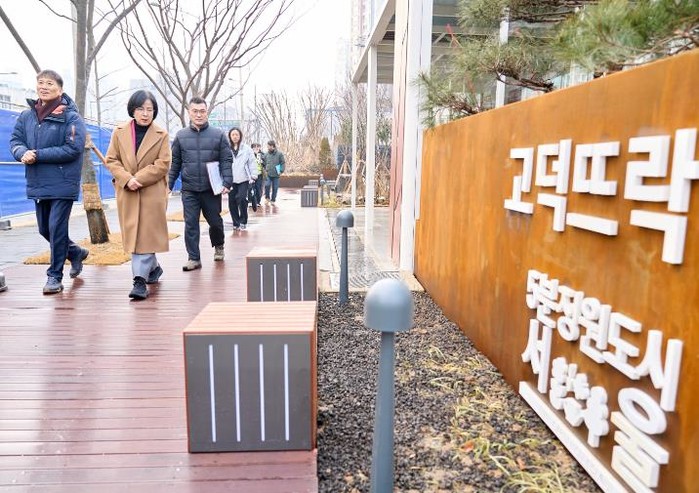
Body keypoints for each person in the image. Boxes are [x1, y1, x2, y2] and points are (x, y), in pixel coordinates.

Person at [9, 69, 88, 295]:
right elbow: (15, 140)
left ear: (60, 90)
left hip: (63, 182)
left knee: (56, 228)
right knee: (45, 229)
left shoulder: (71, 117)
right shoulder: (27, 116)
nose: (44, 87)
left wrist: (38, 154)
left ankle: (54, 276)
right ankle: (75, 252)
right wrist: (21, 152)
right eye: (41, 82)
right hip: (38, 181)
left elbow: (73, 148)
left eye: (50, 83)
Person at [104, 90, 171, 300]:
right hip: (128, 192)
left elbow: (163, 164)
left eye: (150, 109)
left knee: (146, 234)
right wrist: (126, 179)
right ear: (133, 110)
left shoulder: (161, 135)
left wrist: (138, 179)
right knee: (137, 234)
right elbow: (111, 160)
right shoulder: (119, 132)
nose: (145, 113)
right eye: (141, 109)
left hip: (151, 191)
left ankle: (139, 281)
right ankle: (153, 268)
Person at [168, 97, 232, 271]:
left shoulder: (218, 135)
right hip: (189, 189)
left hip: (211, 188)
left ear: (207, 112)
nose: (198, 115)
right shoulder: (181, 136)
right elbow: (175, 163)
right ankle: (193, 258)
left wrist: (227, 181)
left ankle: (219, 246)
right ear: (189, 112)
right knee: (190, 223)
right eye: (195, 111)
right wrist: (169, 184)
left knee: (215, 222)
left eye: (202, 111)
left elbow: (226, 159)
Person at [227, 128, 256, 230]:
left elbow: (252, 162)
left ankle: (243, 220)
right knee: (232, 201)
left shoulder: (246, 149)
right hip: (230, 179)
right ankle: (236, 223)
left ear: (240, 136)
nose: (235, 137)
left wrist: (254, 175)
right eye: (233, 135)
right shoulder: (226, 149)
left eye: (237, 135)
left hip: (244, 178)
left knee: (242, 198)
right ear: (230, 136)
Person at [263, 139, 285, 205]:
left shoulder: (279, 154)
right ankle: (267, 198)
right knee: (267, 185)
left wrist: (281, 170)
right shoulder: (266, 154)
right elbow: (263, 163)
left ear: (272, 146)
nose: (267, 147)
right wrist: (265, 169)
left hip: (276, 174)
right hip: (268, 174)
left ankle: (273, 200)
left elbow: (282, 162)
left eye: (268, 146)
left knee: (275, 188)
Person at [251, 142, 265, 209]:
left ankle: (258, 201)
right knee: (251, 188)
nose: (256, 148)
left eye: (258, 147)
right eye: (254, 147)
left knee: (258, 188)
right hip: (251, 174)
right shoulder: (250, 154)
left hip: (259, 174)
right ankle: (252, 201)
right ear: (252, 148)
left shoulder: (262, 155)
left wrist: (262, 161)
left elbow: (266, 164)